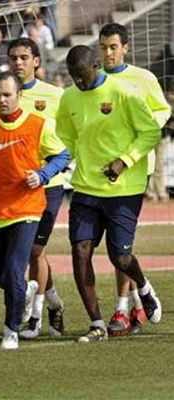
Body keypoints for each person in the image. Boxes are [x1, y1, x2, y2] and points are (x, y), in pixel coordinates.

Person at [56, 45, 162, 343]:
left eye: (82, 75)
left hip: (124, 189)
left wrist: (124, 161)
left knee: (120, 256)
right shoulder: (69, 98)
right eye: (73, 76)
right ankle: (97, 322)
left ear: (96, 66)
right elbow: (65, 138)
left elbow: (151, 132)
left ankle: (143, 286)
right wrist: (52, 163)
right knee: (80, 251)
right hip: (86, 187)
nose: (78, 82)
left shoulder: (124, 93)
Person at [0, 72, 69, 350]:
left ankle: (11, 330)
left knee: (15, 269)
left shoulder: (38, 125)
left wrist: (42, 175)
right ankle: (25, 290)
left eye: (7, 95)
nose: (1, 100)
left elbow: (62, 155)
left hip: (27, 208)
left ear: (18, 96)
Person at [98, 23, 171, 336]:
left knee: (119, 244)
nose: (108, 53)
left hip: (133, 169)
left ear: (125, 47)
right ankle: (136, 302)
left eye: (113, 47)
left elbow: (162, 110)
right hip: (98, 170)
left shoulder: (143, 78)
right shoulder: (95, 80)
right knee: (114, 246)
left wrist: (138, 124)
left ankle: (122, 308)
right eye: (103, 47)